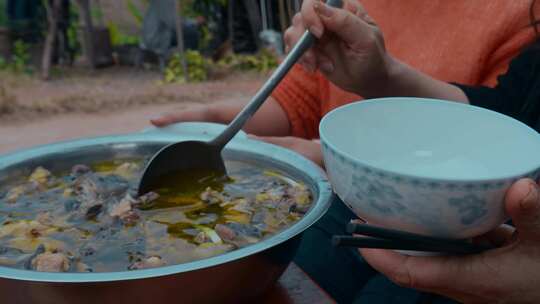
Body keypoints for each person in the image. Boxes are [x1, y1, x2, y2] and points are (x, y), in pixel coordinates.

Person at [149, 1, 539, 303]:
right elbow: (504, 106)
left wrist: (329, 155)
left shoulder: (518, 13)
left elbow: (484, 140)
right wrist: (214, 119)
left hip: (457, 235)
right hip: (349, 201)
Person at [278, 1, 540, 303]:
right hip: (381, 204)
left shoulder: (509, 12)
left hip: (482, 232)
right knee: (292, 266)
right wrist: (382, 75)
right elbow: (506, 112)